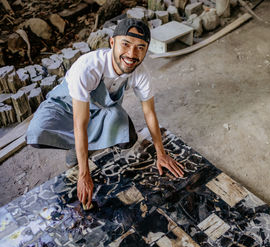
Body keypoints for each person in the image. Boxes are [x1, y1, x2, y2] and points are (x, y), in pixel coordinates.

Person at [26, 18, 184, 208]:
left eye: (140, 47)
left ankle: (84, 146)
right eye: (125, 44)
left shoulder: (140, 73)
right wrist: (84, 174)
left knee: (128, 137)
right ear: (112, 43)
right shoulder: (89, 67)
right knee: (38, 132)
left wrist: (161, 154)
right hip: (66, 108)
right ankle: (75, 148)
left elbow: (149, 113)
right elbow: (79, 123)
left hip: (99, 110)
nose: (132, 54)